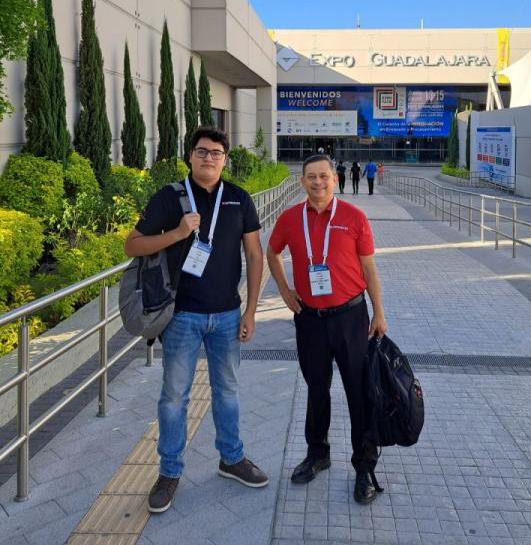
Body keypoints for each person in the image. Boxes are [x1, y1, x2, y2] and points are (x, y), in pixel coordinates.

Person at [124, 126, 268, 514]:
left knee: (228, 391)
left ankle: (232, 459)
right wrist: (176, 233)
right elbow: (132, 244)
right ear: (190, 156)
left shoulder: (238, 198)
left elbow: (255, 255)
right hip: (181, 316)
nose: (209, 158)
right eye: (202, 151)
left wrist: (251, 310)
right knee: (174, 397)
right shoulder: (169, 197)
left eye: (216, 153)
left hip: (227, 314)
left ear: (225, 160)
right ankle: (169, 472)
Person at [267, 154, 387, 504]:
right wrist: (285, 291)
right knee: (316, 389)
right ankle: (317, 453)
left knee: (358, 393)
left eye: (323, 176)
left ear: (334, 179)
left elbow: (369, 268)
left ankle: (364, 466)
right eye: (311, 177)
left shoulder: (354, 217)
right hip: (310, 319)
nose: (318, 182)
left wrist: (379, 313)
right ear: (302, 181)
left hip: (351, 318)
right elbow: (272, 253)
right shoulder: (290, 219)